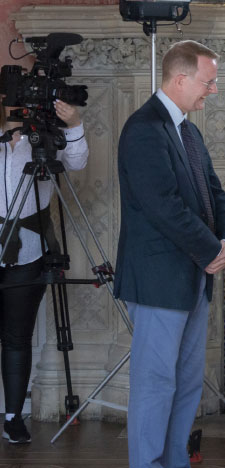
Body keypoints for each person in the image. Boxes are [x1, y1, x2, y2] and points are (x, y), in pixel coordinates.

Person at [114, 40, 225, 467]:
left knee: (186, 384)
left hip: (194, 278)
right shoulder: (144, 128)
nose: (213, 90)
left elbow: (214, 193)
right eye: (209, 81)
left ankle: (174, 461)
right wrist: (209, 250)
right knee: (155, 383)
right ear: (180, 79)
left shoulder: (188, 129)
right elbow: (163, 205)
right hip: (159, 281)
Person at [0, 98, 88, 444]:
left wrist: (74, 123)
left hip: (30, 245)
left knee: (17, 337)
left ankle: (12, 417)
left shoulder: (45, 136)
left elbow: (78, 162)